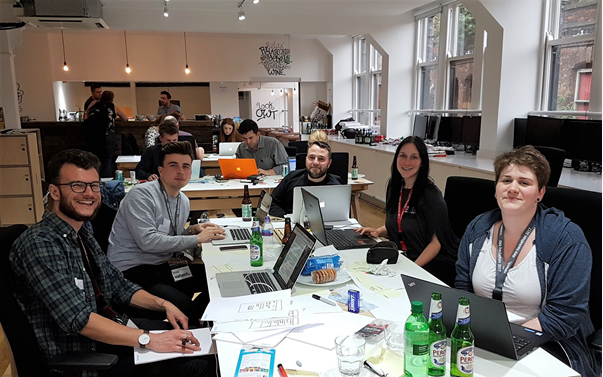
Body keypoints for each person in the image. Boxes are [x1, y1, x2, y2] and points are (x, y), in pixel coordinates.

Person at [9, 149, 213, 377]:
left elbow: (118, 285)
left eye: (94, 185)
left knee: (197, 339)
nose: (89, 193)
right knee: (198, 363)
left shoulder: (81, 234)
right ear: (54, 191)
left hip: (111, 333)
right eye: (77, 185)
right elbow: (79, 319)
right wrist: (149, 339)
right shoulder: (40, 244)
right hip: (86, 357)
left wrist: (163, 305)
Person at [455, 146, 598, 377]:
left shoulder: (566, 240)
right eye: (506, 180)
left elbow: (565, 317)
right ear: (496, 188)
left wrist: (509, 340)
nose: (512, 189)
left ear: (540, 193)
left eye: (524, 183)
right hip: (483, 337)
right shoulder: (478, 228)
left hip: (548, 341)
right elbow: (463, 287)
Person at [108, 141, 226, 326]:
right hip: (131, 273)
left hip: (161, 267)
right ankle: (192, 327)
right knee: (191, 311)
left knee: (219, 281)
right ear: (161, 171)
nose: (181, 171)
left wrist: (191, 231)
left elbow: (170, 237)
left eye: (185, 166)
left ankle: (192, 320)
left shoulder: (183, 200)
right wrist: (195, 239)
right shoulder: (141, 195)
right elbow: (148, 242)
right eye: (173, 165)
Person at [355, 136, 459, 285]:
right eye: (403, 156)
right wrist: (378, 232)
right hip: (404, 257)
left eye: (414, 157)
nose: (407, 162)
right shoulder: (395, 186)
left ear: (422, 162)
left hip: (433, 262)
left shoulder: (430, 195)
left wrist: (413, 269)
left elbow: (436, 244)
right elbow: (401, 223)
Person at [269, 141, 340, 217]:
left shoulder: (336, 188)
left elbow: (341, 216)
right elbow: (272, 203)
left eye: (321, 159)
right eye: (311, 157)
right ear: (306, 159)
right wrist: (287, 220)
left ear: (329, 163)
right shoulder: (291, 178)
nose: (315, 162)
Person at [85, 90, 128, 178]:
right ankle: (106, 183)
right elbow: (125, 118)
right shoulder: (112, 106)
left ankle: (94, 180)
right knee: (107, 161)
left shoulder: (93, 104)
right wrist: (113, 118)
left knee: (94, 160)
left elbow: (86, 116)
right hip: (107, 134)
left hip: (92, 135)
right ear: (112, 98)